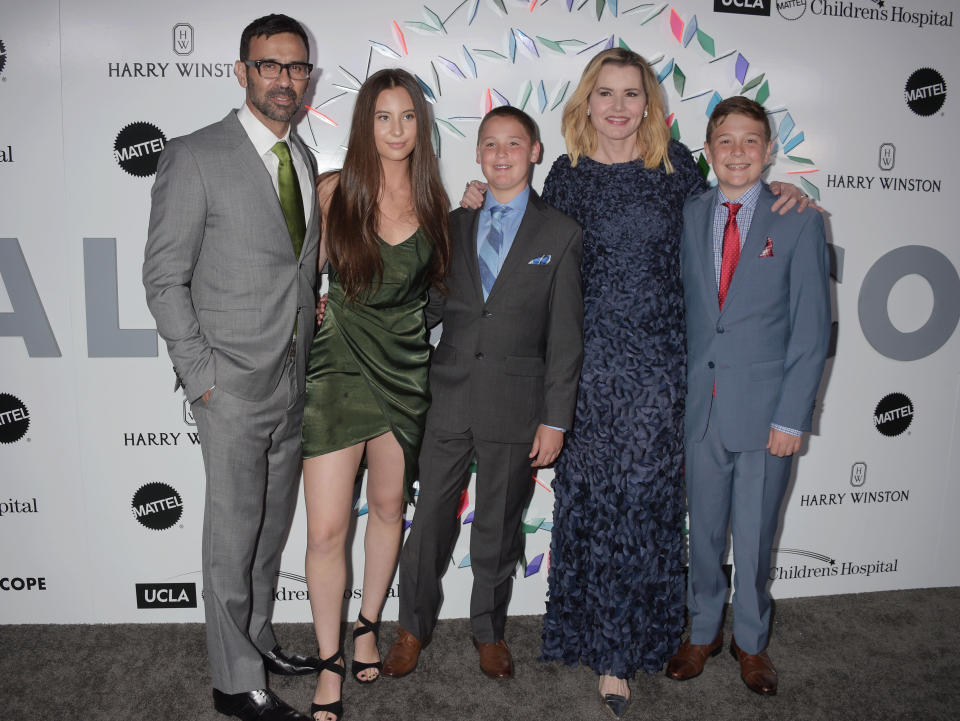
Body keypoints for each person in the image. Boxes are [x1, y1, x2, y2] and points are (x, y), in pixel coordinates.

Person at [461, 48, 812, 719]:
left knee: (648, 504)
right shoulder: (563, 177)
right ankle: (597, 641)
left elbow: (732, 210)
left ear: (649, 105)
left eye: (631, 94)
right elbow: (525, 240)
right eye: (605, 94)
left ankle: (638, 643)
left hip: (661, 364)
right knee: (591, 502)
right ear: (585, 103)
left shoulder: (677, 167)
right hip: (585, 366)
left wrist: (792, 195)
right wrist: (478, 199)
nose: (618, 107)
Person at [143, 14, 319, 721]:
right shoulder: (194, 155)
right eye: (270, 65)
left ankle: (257, 638)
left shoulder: (301, 156)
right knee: (232, 532)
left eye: (296, 66)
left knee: (271, 531)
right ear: (241, 71)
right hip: (231, 386)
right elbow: (162, 278)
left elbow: (296, 268)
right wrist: (201, 374)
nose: (284, 79)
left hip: (293, 379)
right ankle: (232, 678)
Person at [380, 106, 584, 681]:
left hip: (518, 406)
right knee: (428, 528)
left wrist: (556, 420)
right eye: (490, 144)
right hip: (447, 396)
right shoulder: (454, 224)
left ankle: (489, 632)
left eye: (514, 144)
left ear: (535, 151)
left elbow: (566, 338)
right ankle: (411, 628)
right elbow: (431, 307)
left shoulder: (561, 234)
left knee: (498, 524)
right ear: (477, 154)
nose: (501, 154)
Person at [666, 96, 830, 696]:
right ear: (708, 151)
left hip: (767, 416)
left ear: (768, 150)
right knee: (703, 530)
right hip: (702, 409)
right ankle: (703, 629)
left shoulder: (801, 219)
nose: (737, 152)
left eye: (750, 141)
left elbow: (811, 331)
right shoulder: (688, 214)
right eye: (725, 141)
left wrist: (793, 415)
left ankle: (752, 640)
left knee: (757, 536)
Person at [301, 68, 450, 721]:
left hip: (406, 369)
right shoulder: (333, 190)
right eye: (383, 117)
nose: (395, 129)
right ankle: (330, 658)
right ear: (366, 124)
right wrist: (312, 309)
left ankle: (367, 621)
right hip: (336, 369)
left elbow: (441, 295)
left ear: (421, 125)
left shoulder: (436, 201)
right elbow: (298, 280)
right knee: (328, 527)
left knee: (389, 508)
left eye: (407, 117)